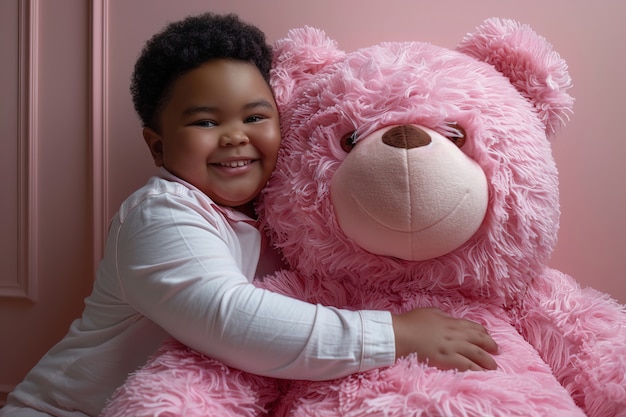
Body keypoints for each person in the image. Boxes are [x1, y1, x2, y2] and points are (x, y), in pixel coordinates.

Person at [0, 13, 498, 417]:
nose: (235, 135)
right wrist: (396, 334)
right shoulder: (161, 214)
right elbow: (229, 319)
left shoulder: (274, 214)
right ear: (157, 146)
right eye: (206, 121)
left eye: (255, 117)